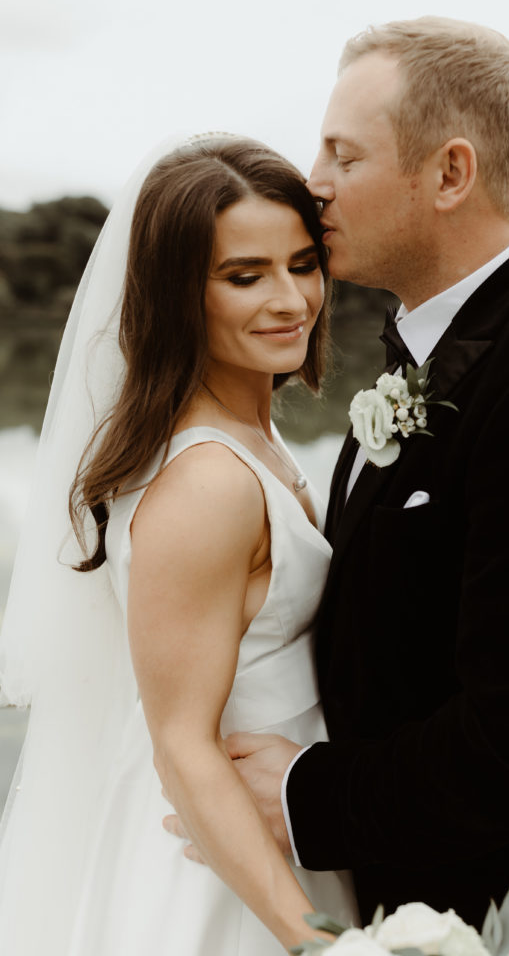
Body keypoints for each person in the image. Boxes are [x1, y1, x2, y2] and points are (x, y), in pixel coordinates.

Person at [214, 19, 509, 955]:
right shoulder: (428, 354)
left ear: (449, 174)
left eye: (344, 153)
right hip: (409, 906)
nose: (314, 181)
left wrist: (306, 795)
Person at [0, 134, 358, 954]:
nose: (291, 300)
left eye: (303, 264)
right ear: (175, 295)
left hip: (283, 820)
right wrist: (323, 944)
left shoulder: (247, 442)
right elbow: (182, 747)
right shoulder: (207, 484)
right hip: (224, 872)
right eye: (244, 276)